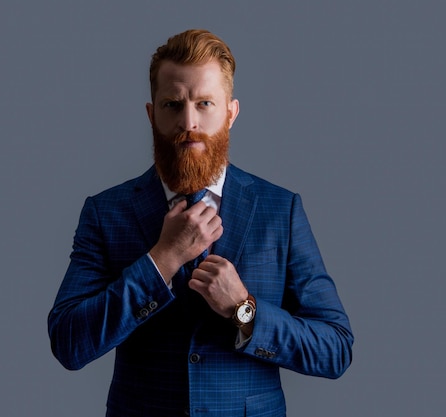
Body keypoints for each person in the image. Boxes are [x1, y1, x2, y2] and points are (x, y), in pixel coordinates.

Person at [48, 29, 353, 417]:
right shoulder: (106, 212)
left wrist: (245, 310)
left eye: (205, 103)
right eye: (173, 104)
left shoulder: (281, 210)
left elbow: (335, 348)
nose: (188, 122)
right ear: (151, 113)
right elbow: (68, 342)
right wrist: (162, 260)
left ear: (231, 112)